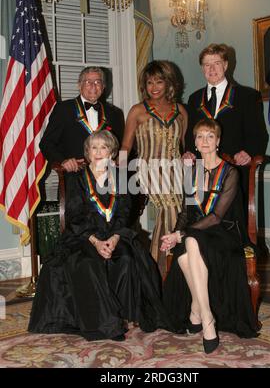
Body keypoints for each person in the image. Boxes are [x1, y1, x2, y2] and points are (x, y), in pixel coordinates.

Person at [28, 130, 171, 342]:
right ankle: (106, 324)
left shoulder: (123, 179)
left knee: (126, 258)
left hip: (116, 235)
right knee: (88, 263)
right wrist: (96, 242)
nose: (98, 152)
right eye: (93, 147)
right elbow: (75, 217)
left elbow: (124, 215)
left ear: (111, 152)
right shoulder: (76, 178)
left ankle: (125, 314)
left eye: (103, 147)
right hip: (84, 237)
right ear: (87, 152)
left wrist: (114, 239)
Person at [161, 119, 259, 354]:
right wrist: (176, 233)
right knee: (186, 254)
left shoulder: (230, 172)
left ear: (218, 141)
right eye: (200, 137)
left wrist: (179, 234)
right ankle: (205, 315)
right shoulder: (191, 172)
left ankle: (201, 315)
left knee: (190, 242)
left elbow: (216, 217)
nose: (204, 141)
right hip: (197, 231)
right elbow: (186, 212)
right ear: (194, 142)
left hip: (225, 232)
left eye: (210, 136)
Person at [185, 44, 268, 220]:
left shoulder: (246, 96)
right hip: (201, 172)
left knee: (231, 220)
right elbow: (189, 136)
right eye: (207, 64)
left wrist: (249, 152)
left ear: (226, 65)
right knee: (194, 217)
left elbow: (259, 134)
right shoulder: (194, 99)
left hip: (235, 170)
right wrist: (188, 153)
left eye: (217, 63)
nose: (212, 69)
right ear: (202, 68)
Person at [120, 60, 188, 277]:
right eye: (150, 82)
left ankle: (170, 269)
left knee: (177, 212)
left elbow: (183, 145)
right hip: (149, 169)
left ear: (169, 83)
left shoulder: (181, 111)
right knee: (170, 208)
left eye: (159, 81)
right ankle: (159, 271)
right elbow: (126, 145)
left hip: (176, 170)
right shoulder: (138, 111)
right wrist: (117, 169)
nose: (154, 87)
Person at [39, 66, 125, 173]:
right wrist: (63, 161)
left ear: (103, 87)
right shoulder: (64, 109)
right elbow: (46, 143)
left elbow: (123, 146)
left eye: (98, 82)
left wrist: (121, 167)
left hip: (108, 178)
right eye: (88, 82)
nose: (93, 86)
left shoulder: (115, 113)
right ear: (79, 86)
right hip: (75, 178)